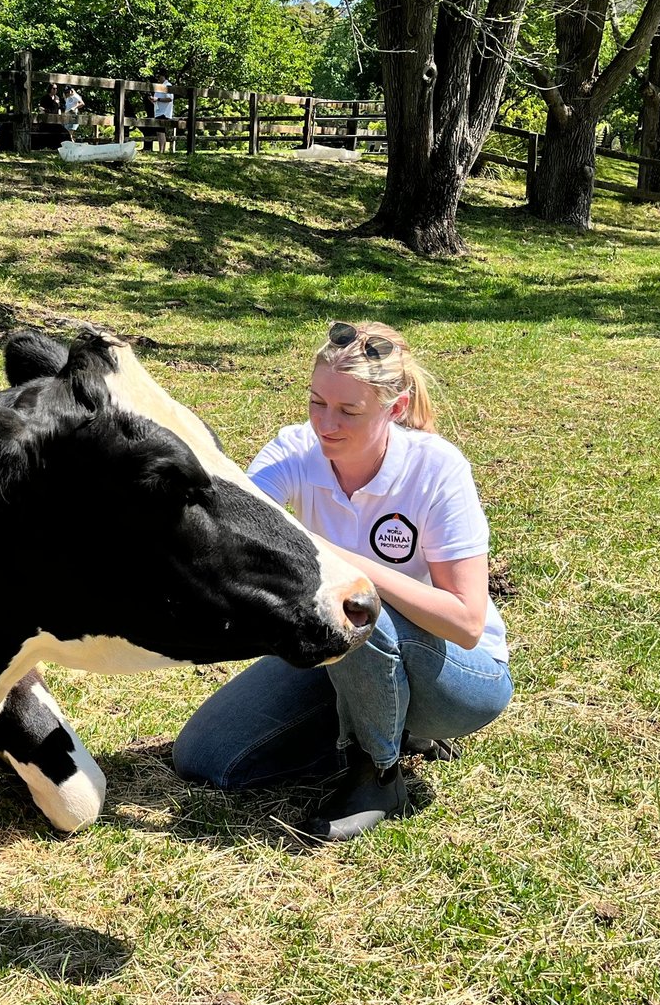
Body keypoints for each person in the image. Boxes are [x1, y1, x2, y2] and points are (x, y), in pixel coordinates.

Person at [173, 320, 512, 841]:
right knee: (206, 757)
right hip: (346, 652)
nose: (325, 424)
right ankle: (377, 718)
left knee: (353, 601)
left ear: (394, 410)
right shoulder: (295, 451)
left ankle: (379, 773)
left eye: (349, 411)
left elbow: (466, 623)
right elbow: (232, 525)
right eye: (316, 403)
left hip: (460, 680)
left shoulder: (437, 469)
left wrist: (338, 558)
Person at [149, 74, 176, 151]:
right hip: (158, 111)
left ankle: (162, 150)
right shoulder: (159, 86)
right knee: (160, 132)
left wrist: (157, 99)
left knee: (161, 132)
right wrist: (153, 100)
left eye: (159, 76)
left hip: (164, 112)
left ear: (164, 76)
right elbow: (158, 100)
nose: (158, 78)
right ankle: (162, 150)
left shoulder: (167, 86)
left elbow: (169, 99)